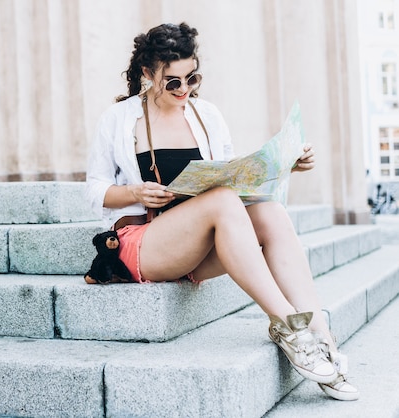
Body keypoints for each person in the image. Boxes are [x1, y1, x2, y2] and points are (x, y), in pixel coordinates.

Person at [85, 22, 358, 401]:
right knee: (223, 201)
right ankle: (288, 327)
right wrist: (135, 191)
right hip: (143, 242)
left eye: (191, 78)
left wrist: (283, 165)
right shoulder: (118, 119)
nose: (184, 90)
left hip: (196, 242)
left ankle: (318, 332)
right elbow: (94, 189)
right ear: (148, 74)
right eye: (172, 82)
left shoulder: (207, 115)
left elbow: (231, 178)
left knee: (269, 211)